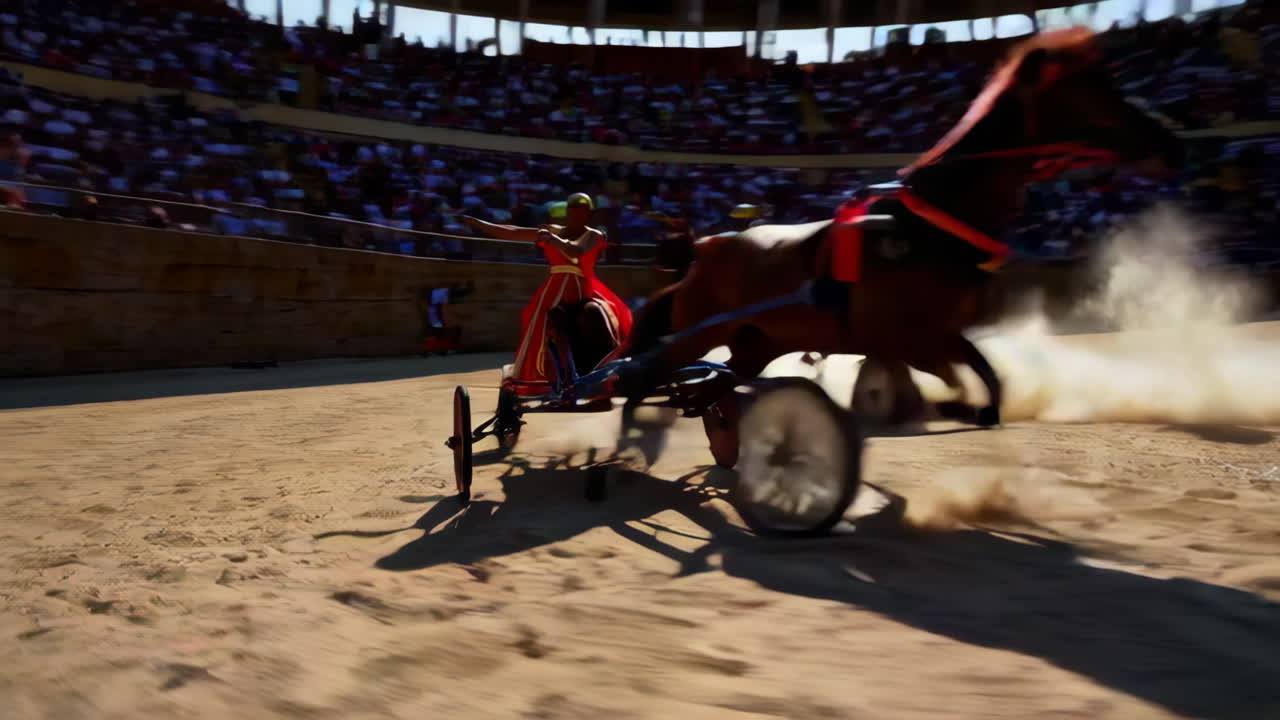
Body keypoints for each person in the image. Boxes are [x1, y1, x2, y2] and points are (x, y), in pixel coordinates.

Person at [459, 193, 633, 394]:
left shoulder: (593, 234)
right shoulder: (553, 230)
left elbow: (576, 251)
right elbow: (513, 231)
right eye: (573, 211)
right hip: (554, 287)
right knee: (538, 320)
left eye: (582, 212)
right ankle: (544, 375)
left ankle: (607, 368)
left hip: (582, 287)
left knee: (596, 313)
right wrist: (478, 223)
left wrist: (553, 239)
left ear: (589, 214)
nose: (577, 215)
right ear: (568, 212)